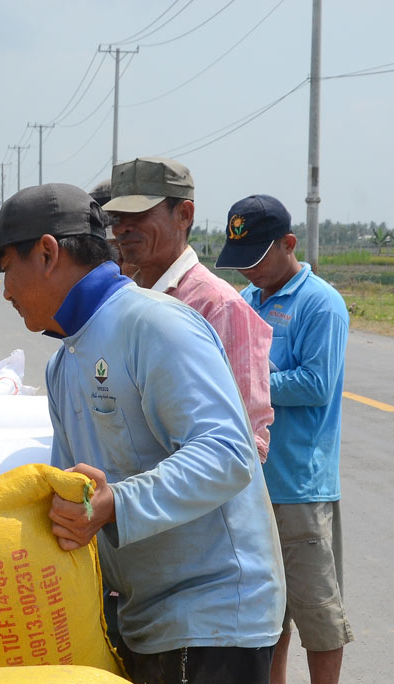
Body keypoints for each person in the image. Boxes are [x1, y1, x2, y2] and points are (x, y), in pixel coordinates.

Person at [0, 183, 284, 684]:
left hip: (213, 617)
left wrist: (116, 504)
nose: (6, 292)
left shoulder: (152, 325)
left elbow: (228, 454)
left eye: (8, 270)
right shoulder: (67, 361)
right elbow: (74, 493)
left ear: (48, 253)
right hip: (148, 616)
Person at [216, 194, 352, 684]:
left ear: (290, 246)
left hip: (300, 481)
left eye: (259, 256)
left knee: (315, 602)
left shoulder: (321, 305)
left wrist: (250, 372)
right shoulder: (248, 300)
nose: (248, 269)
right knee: (268, 602)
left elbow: (317, 384)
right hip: (254, 477)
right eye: (240, 256)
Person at [103, 157, 273, 462]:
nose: (123, 228)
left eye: (139, 214)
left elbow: (248, 441)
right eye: (117, 218)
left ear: (184, 214)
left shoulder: (217, 305)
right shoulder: (122, 299)